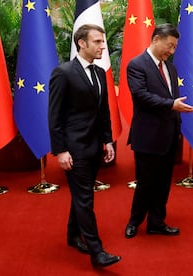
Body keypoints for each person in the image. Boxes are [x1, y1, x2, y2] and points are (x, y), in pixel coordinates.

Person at [48, 24, 121, 267]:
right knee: (85, 199)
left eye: (103, 42)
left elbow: (103, 112)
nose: (103, 46)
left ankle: (72, 234)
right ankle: (97, 251)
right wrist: (60, 150)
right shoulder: (63, 72)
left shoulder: (100, 73)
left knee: (83, 195)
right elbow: (54, 116)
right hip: (74, 148)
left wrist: (107, 140)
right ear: (82, 43)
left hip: (93, 146)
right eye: (98, 42)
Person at [124, 23, 193, 239]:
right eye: (169, 46)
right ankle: (134, 222)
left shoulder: (170, 67)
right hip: (147, 136)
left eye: (174, 48)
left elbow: (174, 97)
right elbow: (141, 96)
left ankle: (157, 222)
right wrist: (172, 105)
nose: (171, 52)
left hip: (170, 135)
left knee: (163, 184)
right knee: (145, 183)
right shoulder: (136, 65)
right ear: (155, 39)